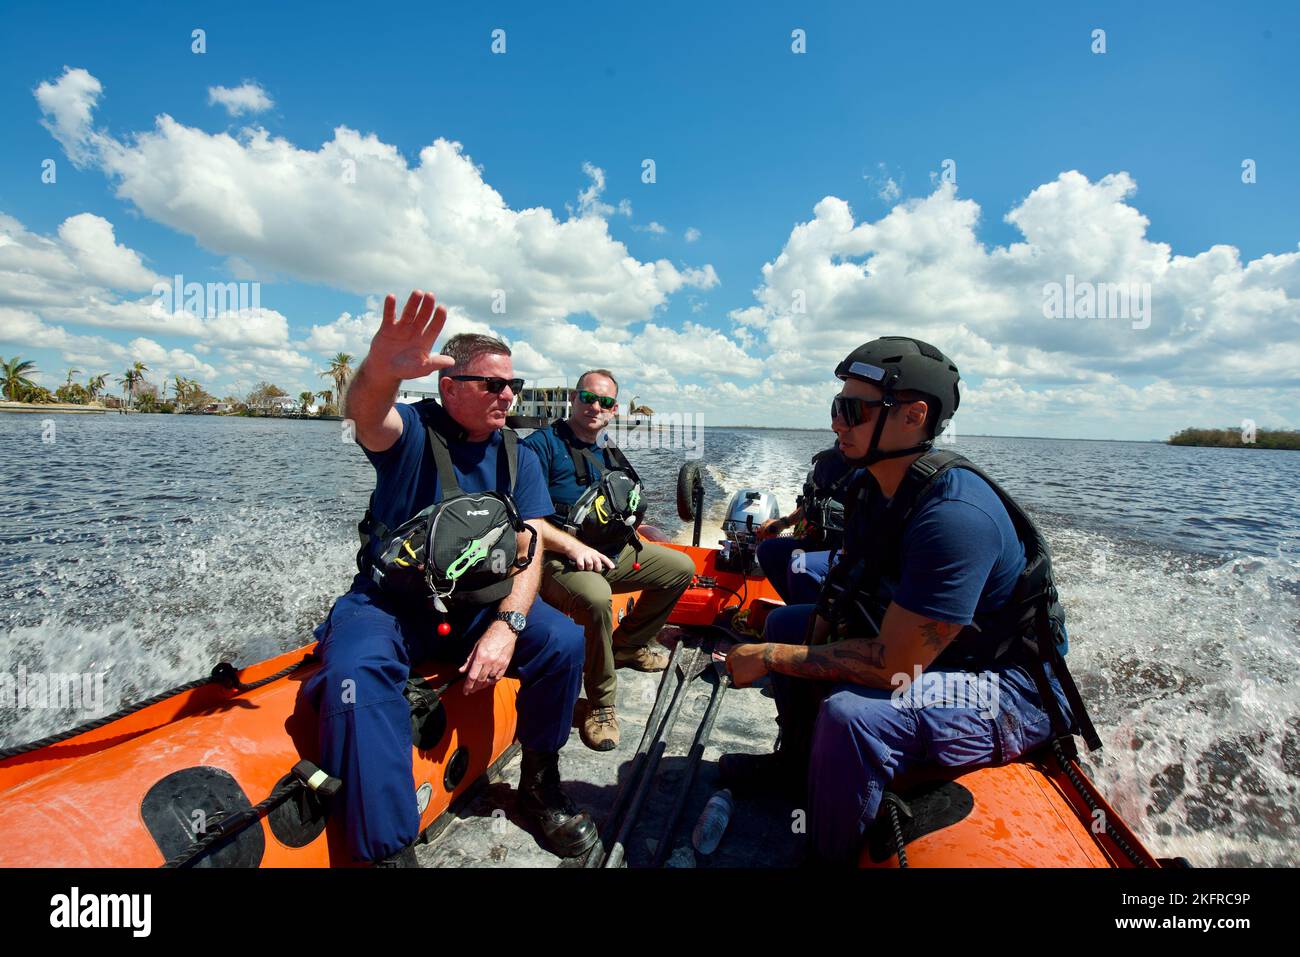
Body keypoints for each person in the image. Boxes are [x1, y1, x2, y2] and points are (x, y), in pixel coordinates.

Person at [719, 336, 1098, 865]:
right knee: (788, 624)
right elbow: (840, 590)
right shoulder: (873, 488)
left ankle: (828, 856)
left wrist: (770, 658)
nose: (837, 423)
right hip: (939, 653)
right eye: (836, 407)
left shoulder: (955, 516)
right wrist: (797, 646)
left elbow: (895, 665)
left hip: (1007, 683)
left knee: (854, 717)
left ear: (914, 416)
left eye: (853, 409)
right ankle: (797, 767)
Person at [305, 291, 598, 865]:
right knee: (355, 674)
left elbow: (530, 543)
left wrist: (510, 625)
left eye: (512, 384)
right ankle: (389, 851)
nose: (508, 395)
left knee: (562, 641)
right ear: (450, 386)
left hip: (479, 604)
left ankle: (540, 789)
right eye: (493, 385)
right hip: (392, 605)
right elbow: (366, 414)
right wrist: (379, 371)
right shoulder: (411, 433)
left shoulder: (520, 454)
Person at [522, 369, 696, 751]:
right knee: (597, 597)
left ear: (614, 409)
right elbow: (524, 520)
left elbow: (620, 502)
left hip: (611, 549)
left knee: (681, 568)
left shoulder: (607, 447)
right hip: (555, 559)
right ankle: (600, 705)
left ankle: (629, 646)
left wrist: (644, 529)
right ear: (573, 398)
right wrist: (570, 546)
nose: (594, 407)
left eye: (604, 402)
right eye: (587, 398)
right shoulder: (540, 446)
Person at [754, 445, 855, 604]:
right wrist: (782, 523)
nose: (838, 423)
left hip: (850, 552)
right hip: (819, 542)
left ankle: (812, 622)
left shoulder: (872, 470)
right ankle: (797, 609)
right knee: (768, 550)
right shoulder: (829, 462)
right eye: (835, 418)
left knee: (800, 565)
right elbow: (812, 503)